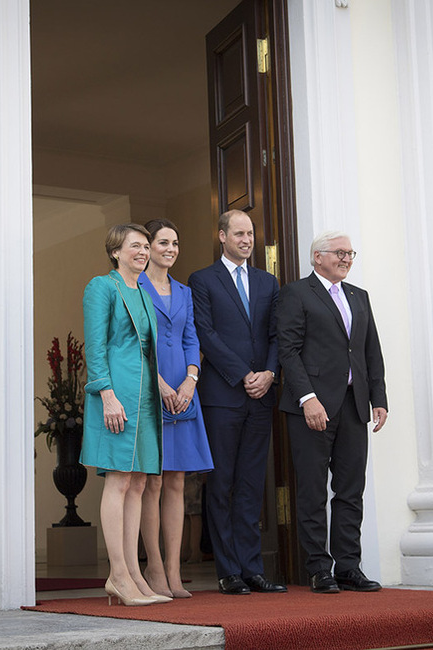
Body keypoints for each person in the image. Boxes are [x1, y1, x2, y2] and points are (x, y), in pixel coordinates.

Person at [275, 231, 387, 594]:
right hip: (313, 407)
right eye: (339, 252)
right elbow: (289, 351)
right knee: (311, 491)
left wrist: (379, 399)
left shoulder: (359, 296)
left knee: (351, 490)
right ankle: (319, 569)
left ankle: (348, 566)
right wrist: (307, 398)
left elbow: (371, 353)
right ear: (317, 257)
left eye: (350, 253)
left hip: (355, 405)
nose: (346, 258)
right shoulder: (296, 293)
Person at [188, 210, 286, 595]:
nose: (247, 240)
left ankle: (252, 569)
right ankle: (228, 570)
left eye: (251, 233)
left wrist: (270, 373)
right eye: (240, 233)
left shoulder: (268, 281)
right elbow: (205, 333)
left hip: (261, 396)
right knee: (222, 483)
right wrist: (242, 373)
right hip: (223, 396)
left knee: (251, 485)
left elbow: (277, 335)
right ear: (222, 236)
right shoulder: (202, 280)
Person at [80, 223, 170, 607]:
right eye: (135, 246)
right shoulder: (103, 287)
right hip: (117, 395)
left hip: (145, 397)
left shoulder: (145, 293)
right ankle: (117, 574)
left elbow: (148, 351)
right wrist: (107, 395)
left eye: (146, 246)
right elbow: (95, 346)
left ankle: (134, 573)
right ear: (115, 251)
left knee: (137, 483)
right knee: (118, 481)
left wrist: (163, 389)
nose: (143, 252)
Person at [137, 219, 214, 599]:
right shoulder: (133, 287)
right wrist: (162, 384)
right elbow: (134, 342)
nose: (170, 248)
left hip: (185, 390)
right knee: (151, 480)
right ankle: (152, 566)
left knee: (177, 481)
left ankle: (173, 570)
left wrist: (190, 380)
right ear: (147, 247)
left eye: (175, 242)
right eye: (163, 242)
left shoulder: (184, 291)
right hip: (149, 388)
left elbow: (191, 338)